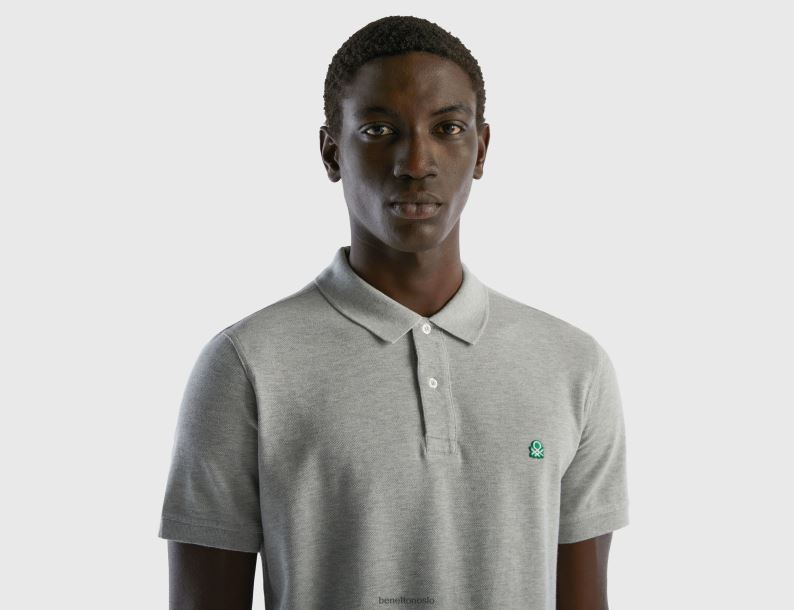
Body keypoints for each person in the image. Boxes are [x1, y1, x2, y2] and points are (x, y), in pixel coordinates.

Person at [158, 15, 630, 610]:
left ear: (481, 149)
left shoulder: (573, 367)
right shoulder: (246, 365)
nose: (416, 161)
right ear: (331, 151)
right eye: (379, 130)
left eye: (447, 128)